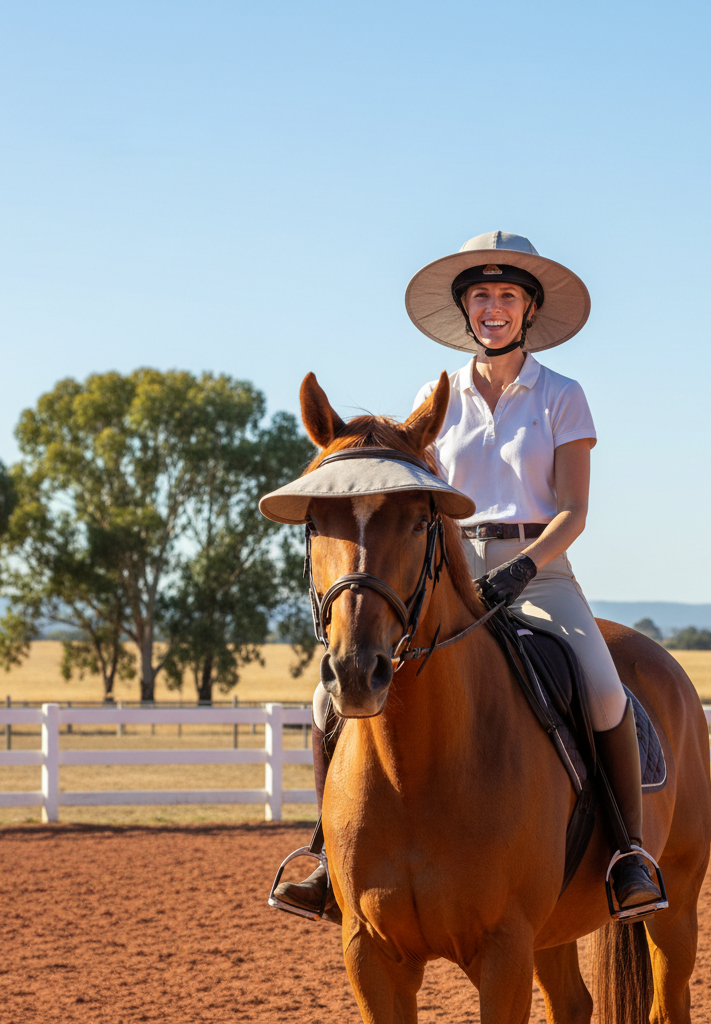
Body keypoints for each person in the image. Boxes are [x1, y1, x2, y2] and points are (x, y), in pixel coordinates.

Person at [273, 231, 661, 918]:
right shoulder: (437, 395)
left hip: (538, 571)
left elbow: (574, 511)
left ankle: (628, 853)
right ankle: (329, 859)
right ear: (466, 311)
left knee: (604, 691)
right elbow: (415, 497)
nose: (493, 307)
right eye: (481, 296)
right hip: (445, 570)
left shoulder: (562, 396)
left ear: (528, 310)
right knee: (326, 699)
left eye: (506, 296)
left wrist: (523, 568)